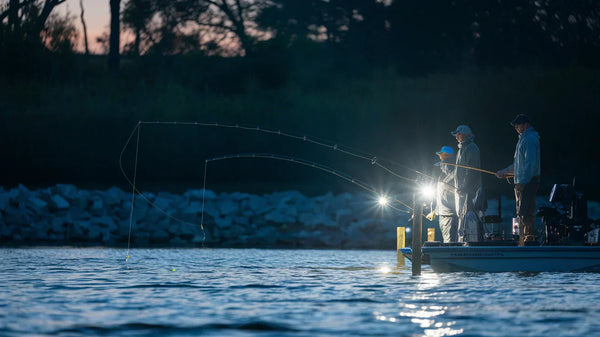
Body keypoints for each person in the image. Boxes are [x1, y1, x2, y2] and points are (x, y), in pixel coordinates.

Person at [495, 114, 541, 245]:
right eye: (515, 124)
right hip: (523, 182)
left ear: (526, 125)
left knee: (525, 213)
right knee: (522, 212)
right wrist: (504, 172)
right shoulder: (523, 139)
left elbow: (530, 165)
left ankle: (528, 240)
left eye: (518, 124)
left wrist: (522, 182)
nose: (515, 127)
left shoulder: (530, 139)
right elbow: (518, 165)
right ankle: (523, 240)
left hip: (528, 182)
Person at [451, 125, 484, 242]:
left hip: (470, 191)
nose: (456, 136)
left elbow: (471, 170)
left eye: (458, 134)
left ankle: (471, 242)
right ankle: (463, 240)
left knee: (469, 216)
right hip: (462, 191)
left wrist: (464, 187)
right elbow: (458, 172)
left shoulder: (471, 148)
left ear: (465, 135)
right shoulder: (461, 149)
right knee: (462, 216)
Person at [429, 146, 459, 243]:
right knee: (449, 239)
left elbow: (448, 188)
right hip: (444, 212)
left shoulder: (451, 170)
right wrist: (435, 210)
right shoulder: (444, 173)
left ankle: (451, 257)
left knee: (450, 241)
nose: (440, 158)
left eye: (442, 155)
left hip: (449, 213)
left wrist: (444, 165)